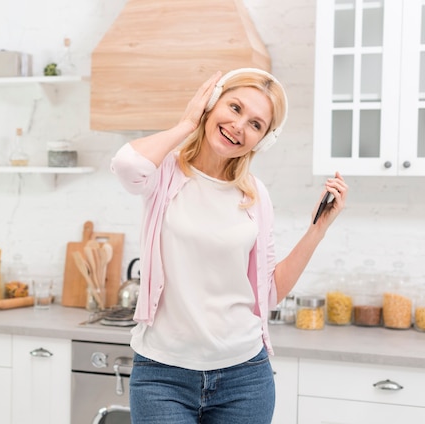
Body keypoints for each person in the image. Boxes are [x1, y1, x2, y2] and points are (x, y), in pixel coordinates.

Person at [110, 68, 348, 424]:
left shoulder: (254, 194)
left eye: (256, 124)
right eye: (235, 108)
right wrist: (187, 123)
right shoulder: (165, 174)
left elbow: (267, 293)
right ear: (211, 104)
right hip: (163, 376)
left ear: (262, 139)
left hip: (244, 378)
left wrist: (317, 229)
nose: (240, 126)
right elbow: (127, 164)